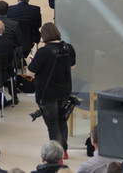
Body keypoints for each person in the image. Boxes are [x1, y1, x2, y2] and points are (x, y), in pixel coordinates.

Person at [27, 23, 76, 156]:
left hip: (47, 93)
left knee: (52, 123)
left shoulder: (43, 52)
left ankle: (56, 155)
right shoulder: (68, 48)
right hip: (65, 91)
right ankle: (64, 150)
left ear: (44, 35)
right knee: (61, 119)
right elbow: (72, 66)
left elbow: (30, 73)